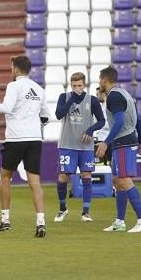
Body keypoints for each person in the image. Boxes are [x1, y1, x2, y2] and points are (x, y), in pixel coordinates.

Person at [0, 55, 50, 237]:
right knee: (35, 182)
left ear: (15, 69)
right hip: (34, 139)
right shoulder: (39, 89)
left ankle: (5, 219)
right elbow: (46, 116)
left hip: (16, 139)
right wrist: (36, 126)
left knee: (5, 177)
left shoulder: (14, 86)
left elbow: (6, 108)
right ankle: (40, 222)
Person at [94, 67, 141, 233]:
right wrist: (140, 140)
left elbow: (118, 122)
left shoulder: (113, 96)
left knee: (125, 181)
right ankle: (120, 221)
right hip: (126, 141)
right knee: (117, 181)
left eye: (99, 80)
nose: (99, 83)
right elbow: (138, 120)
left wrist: (105, 143)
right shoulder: (125, 94)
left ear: (105, 80)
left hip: (124, 142)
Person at [53, 72, 106, 223]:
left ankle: (86, 212)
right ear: (71, 85)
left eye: (80, 86)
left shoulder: (93, 100)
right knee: (63, 177)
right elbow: (58, 115)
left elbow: (101, 121)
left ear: (85, 85)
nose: (77, 88)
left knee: (86, 176)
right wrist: (72, 101)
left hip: (85, 146)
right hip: (67, 144)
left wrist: (91, 130)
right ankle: (62, 209)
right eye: (74, 86)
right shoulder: (64, 97)